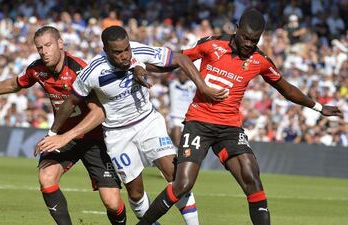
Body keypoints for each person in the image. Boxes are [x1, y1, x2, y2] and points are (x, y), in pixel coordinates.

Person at [134, 9, 343, 225]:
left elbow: (286, 89)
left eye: (255, 40)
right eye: (246, 37)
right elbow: (175, 60)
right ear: (237, 30)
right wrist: (141, 66)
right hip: (199, 122)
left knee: (252, 178)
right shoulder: (211, 44)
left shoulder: (260, 60)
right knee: (182, 184)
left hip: (229, 128)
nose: (249, 44)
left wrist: (318, 107)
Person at [35, 25, 228, 225]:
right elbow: (70, 102)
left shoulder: (138, 51)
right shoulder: (92, 71)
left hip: (148, 122)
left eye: (126, 49)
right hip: (118, 135)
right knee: (135, 193)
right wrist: (53, 132)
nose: (125, 55)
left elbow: (180, 59)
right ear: (106, 50)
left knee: (174, 174)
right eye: (118, 52)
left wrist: (203, 87)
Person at [0, 26, 127, 225]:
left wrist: (64, 136)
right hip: (62, 136)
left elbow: (99, 113)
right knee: (46, 177)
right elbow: (14, 84)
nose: (44, 52)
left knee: (112, 203)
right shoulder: (37, 69)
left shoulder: (80, 70)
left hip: (93, 138)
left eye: (48, 45)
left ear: (60, 44)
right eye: (40, 48)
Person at [168, 69, 196, 146]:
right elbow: (167, 75)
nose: (183, 76)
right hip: (175, 116)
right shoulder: (173, 84)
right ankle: (176, 155)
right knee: (176, 141)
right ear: (178, 75)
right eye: (181, 74)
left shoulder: (192, 85)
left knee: (185, 143)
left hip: (187, 117)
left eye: (185, 74)